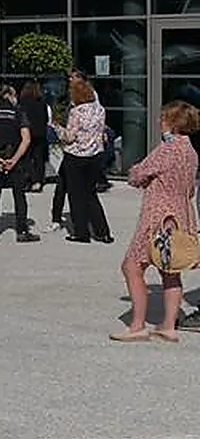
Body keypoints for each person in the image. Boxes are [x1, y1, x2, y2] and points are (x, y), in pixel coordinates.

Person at [111, 102, 200, 342]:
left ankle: (137, 324)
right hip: (181, 213)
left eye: (163, 118)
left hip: (157, 215)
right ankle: (168, 325)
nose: (160, 121)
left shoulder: (168, 148)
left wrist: (135, 172)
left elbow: (138, 174)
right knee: (169, 270)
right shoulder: (191, 151)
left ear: (174, 121)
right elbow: (190, 189)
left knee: (132, 265)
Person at [53, 76, 114, 244]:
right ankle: (103, 232)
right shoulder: (100, 110)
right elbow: (101, 132)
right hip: (95, 155)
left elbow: (70, 137)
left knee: (76, 195)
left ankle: (81, 232)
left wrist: (58, 129)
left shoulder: (76, 112)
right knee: (91, 194)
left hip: (76, 156)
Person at [0, 85, 39, 243]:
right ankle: (22, 230)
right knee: (19, 195)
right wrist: (15, 159)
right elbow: (26, 139)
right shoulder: (18, 113)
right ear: (9, 96)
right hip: (15, 160)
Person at [17, 81, 50, 193]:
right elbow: (46, 118)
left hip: (27, 132)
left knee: (26, 157)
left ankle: (30, 179)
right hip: (40, 133)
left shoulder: (23, 102)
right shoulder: (42, 102)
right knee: (39, 158)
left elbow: (20, 118)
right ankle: (39, 181)